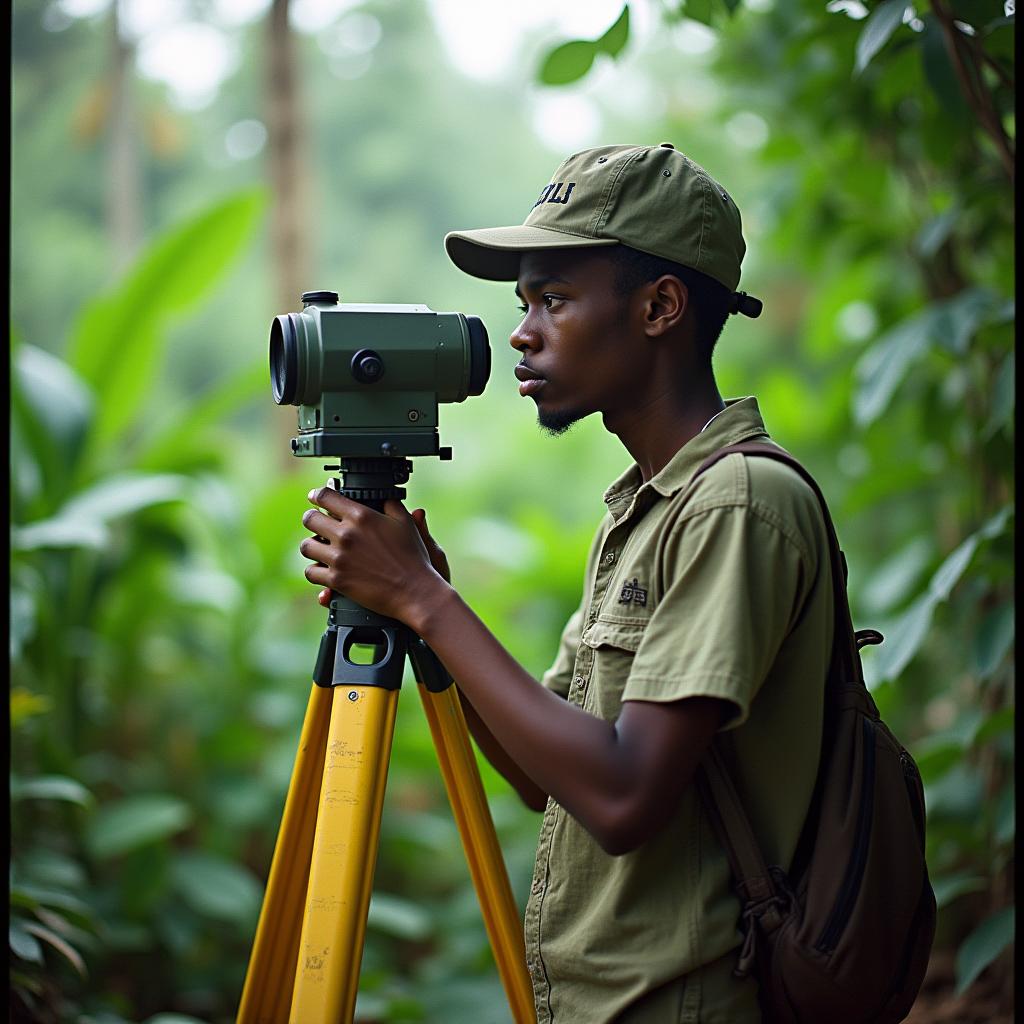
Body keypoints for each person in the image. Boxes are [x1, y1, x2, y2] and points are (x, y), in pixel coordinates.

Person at [298, 143, 834, 1023]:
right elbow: (546, 780)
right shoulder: (647, 508)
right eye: (523, 305)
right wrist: (423, 608)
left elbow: (622, 798)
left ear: (659, 307)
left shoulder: (738, 504)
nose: (522, 332)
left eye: (552, 300)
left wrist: (428, 601)